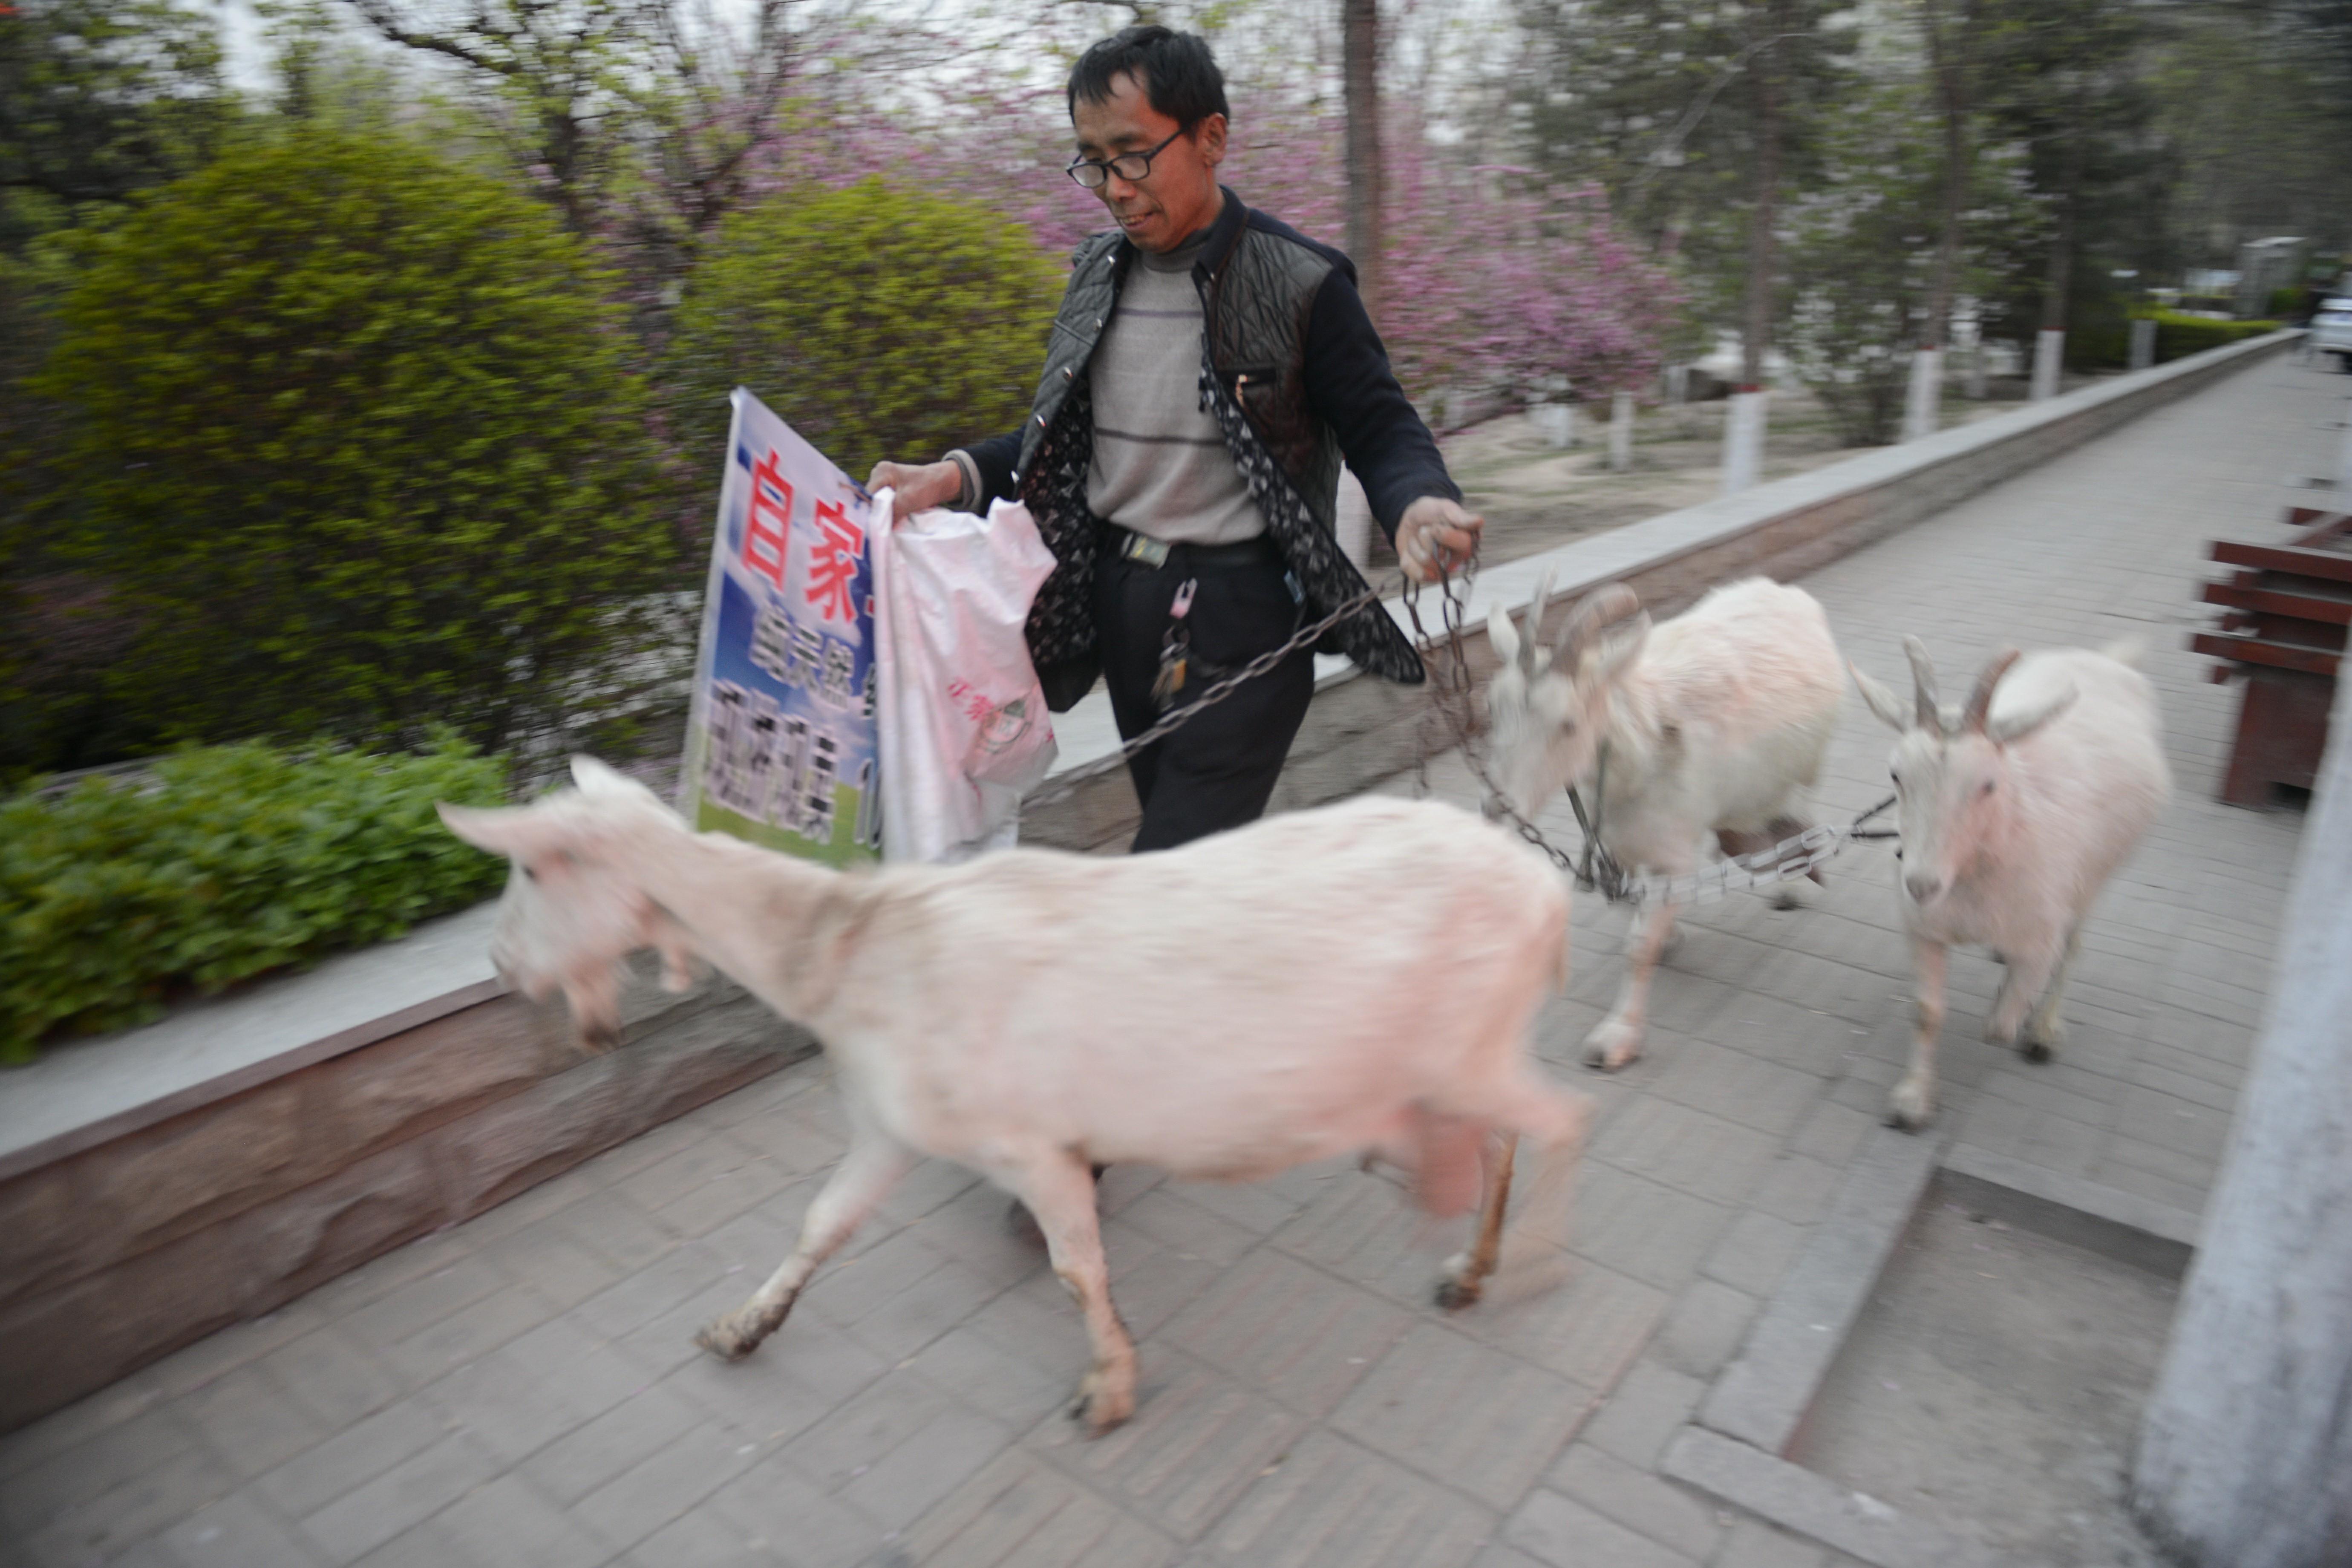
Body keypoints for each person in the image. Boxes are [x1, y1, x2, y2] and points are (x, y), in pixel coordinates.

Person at [870, 24, 1481, 854]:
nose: (1114, 187)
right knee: (1194, 863)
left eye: (1132, 154)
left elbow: (1380, 424)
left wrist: (1419, 503)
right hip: (1124, 603)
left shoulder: (1300, 281)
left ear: (1211, 139)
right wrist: (948, 478)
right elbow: (1063, 435)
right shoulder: (1097, 273)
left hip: (1244, 616)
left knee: (1164, 871)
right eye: (1093, 160)